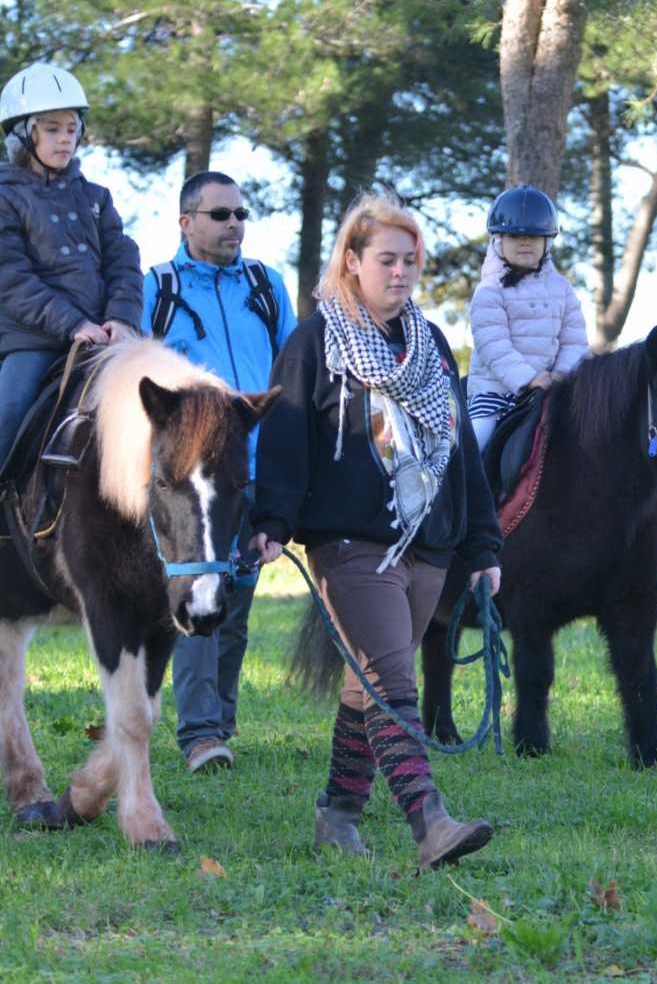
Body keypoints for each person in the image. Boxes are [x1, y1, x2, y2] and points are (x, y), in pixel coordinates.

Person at [247, 191, 502, 869]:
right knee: (393, 678)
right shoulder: (315, 342)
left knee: (366, 685)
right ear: (352, 261)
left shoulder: (431, 345)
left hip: (432, 543)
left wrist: (481, 545)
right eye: (385, 259)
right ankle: (430, 822)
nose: (401, 271)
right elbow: (283, 438)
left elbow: (460, 452)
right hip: (351, 543)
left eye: (409, 259)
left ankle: (337, 813)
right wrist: (270, 521)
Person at [0, 64, 142, 583]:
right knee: (6, 414)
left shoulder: (96, 198)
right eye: (52, 128)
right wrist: (70, 322)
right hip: (34, 339)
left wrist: (120, 318)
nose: (65, 139)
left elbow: (124, 261)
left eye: (72, 129)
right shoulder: (2, 197)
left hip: (104, 337)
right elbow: (7, 274)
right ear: (25, 133)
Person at [142, 170, 298, 773]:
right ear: (187, 223)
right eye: (219, 214)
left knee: (235, 605)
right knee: (200, 600)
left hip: (250, 477)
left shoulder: (265, 285)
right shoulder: (156, 287)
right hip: (190, 483)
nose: (234, 224)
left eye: (240, 214)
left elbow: (289, 372)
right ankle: (201, 735)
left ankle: (221, 724)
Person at [465, 185, 589, 449]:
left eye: (533, 237)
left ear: (548, 241)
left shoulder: (563, 290)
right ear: (498, 240)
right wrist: (528, 378)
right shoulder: (488, 291)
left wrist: (560, 375)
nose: (524, 242)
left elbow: (575, 341)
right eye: (513, 236)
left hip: (549, 391)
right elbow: (493, 345)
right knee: (476, 442)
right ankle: (460, 489)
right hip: (496, 392)